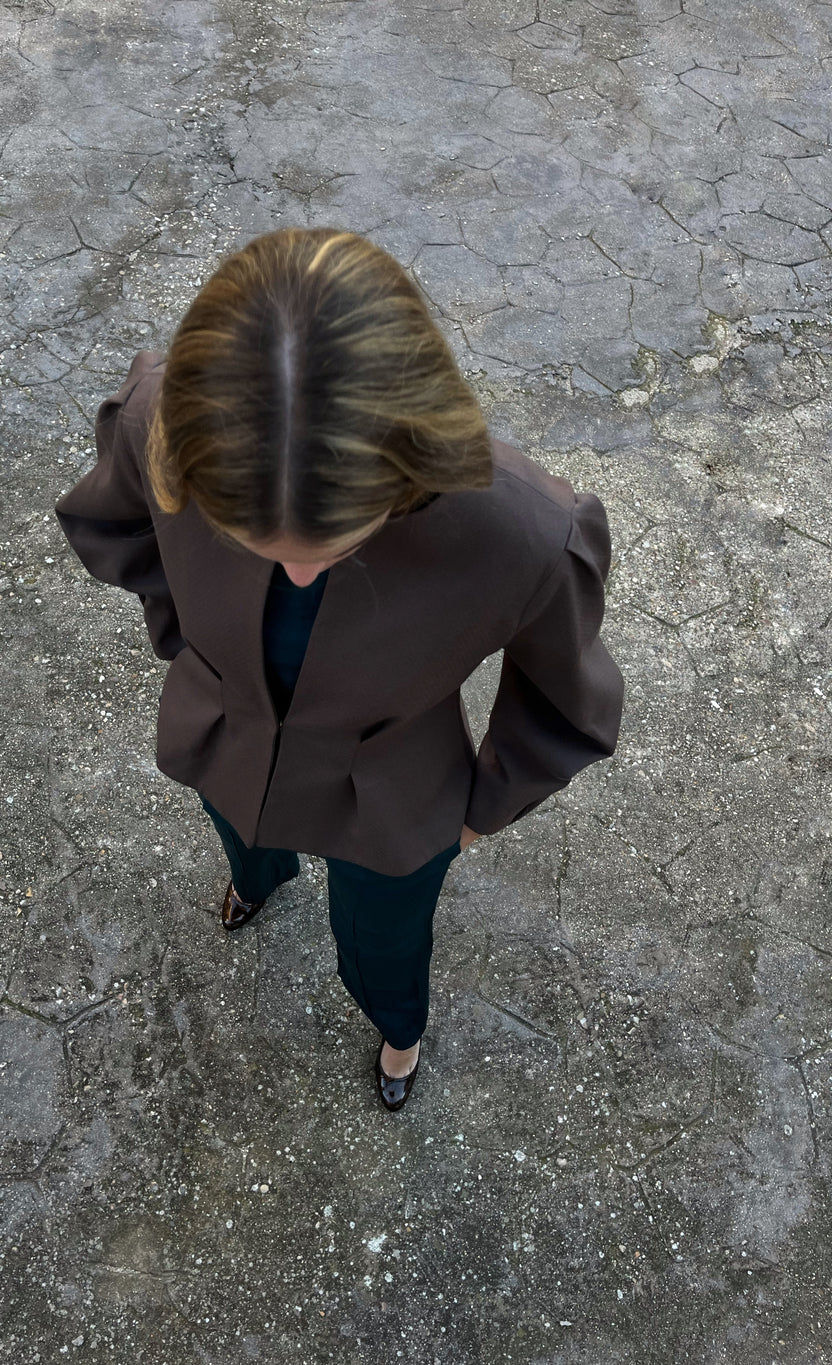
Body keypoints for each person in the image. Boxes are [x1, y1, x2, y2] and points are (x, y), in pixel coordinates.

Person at [55, 227, 624, 1112]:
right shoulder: (155, 426)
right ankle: (256, 878)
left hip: (394, 790)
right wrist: (193, 649)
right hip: (229, 732)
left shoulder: (525, 534)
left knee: (385, 935)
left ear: (409, 467)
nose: (302, 576)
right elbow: (119, 527)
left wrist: (483, 807)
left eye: (339, 543)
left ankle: (399, 1026)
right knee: (241, 834)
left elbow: (565, 697)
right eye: (255, 543)